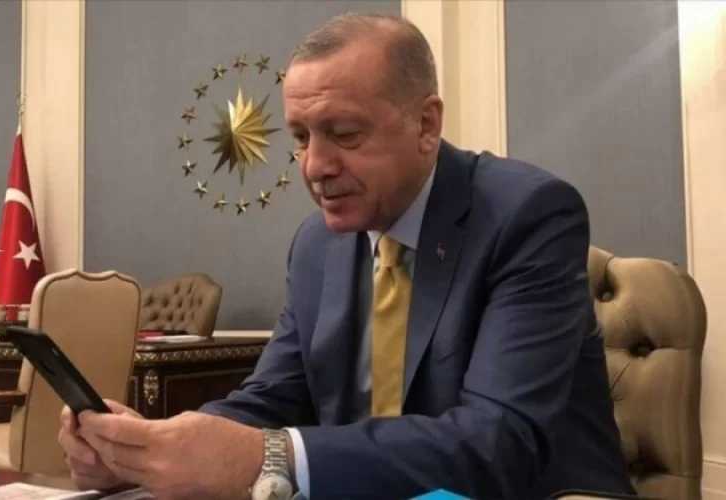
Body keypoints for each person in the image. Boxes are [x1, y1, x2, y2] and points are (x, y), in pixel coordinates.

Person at [58, 12, 634, 500]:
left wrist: (264, 456)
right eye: (301, 137)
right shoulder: (316, 244)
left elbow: (498, 442)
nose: (314, 167)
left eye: (345, 133)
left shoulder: (528, 215)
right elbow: (273, 399)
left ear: (426, 124)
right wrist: (151, 450)